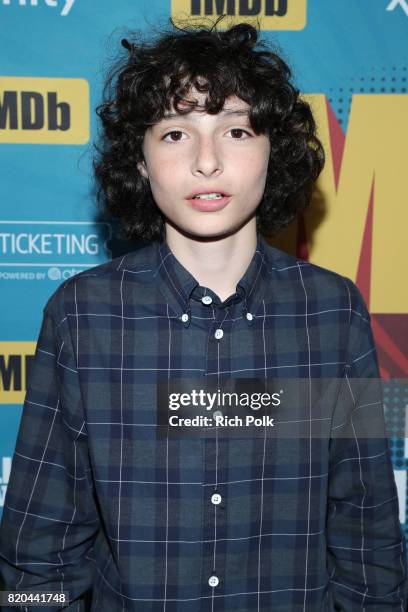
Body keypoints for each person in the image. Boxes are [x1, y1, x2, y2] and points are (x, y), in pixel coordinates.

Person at [0, 16, 406, 612]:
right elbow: (40, 550)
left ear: (275, 152)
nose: (207, 162)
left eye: (237, 131)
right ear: (139, 160)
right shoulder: (82, 316)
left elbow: (366, 533)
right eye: (174, 133)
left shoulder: (332, 310)